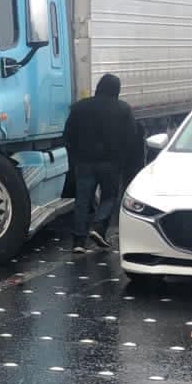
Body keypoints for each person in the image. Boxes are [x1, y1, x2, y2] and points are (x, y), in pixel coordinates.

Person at [63, 73, 138, 252]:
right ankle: (98, 228)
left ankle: (79, 242)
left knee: (82, 200)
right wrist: (124, 158)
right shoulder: (123, 109)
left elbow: (68, 134)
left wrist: (75, 156)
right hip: (111, 163)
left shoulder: (79, 107)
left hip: (84, 162)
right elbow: (131, 136)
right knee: (109, 197)